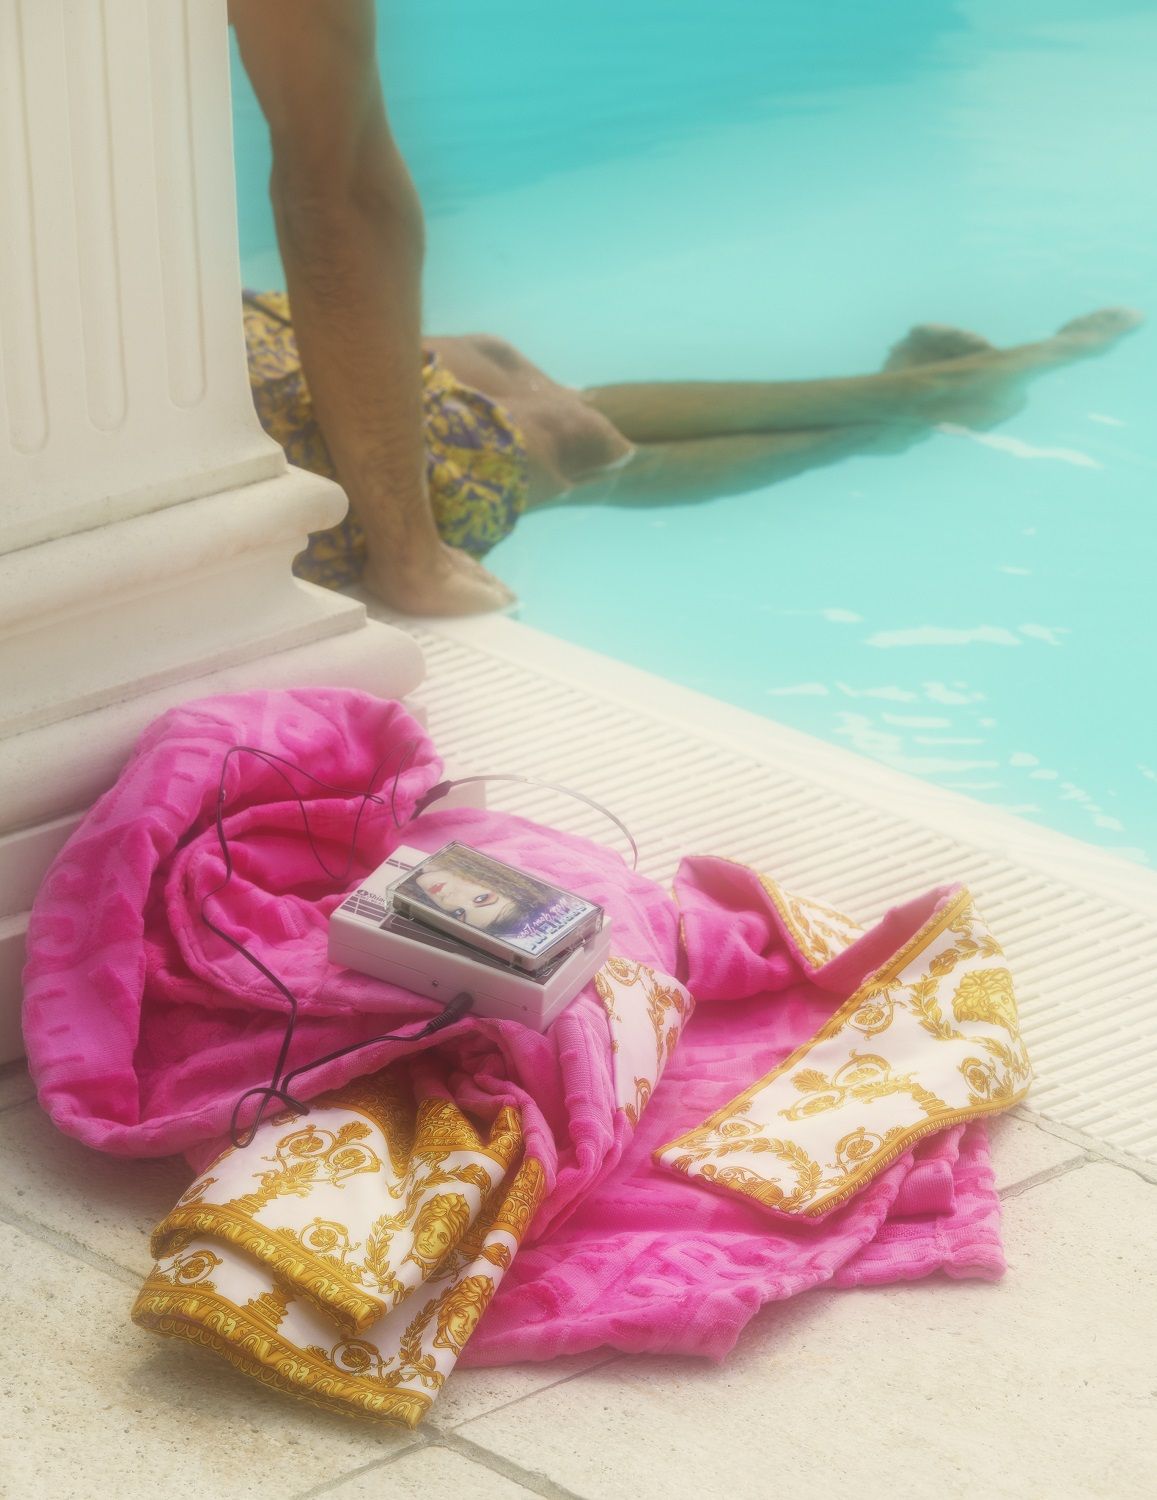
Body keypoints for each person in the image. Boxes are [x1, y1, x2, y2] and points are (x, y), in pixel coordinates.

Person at [231, 3, 1141, 609]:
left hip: (193, 356)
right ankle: (906, 410)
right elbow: (337, 194)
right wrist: (410, 554)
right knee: (565, 448)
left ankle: (916, 395)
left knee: (492, 368)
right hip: (175, 441)